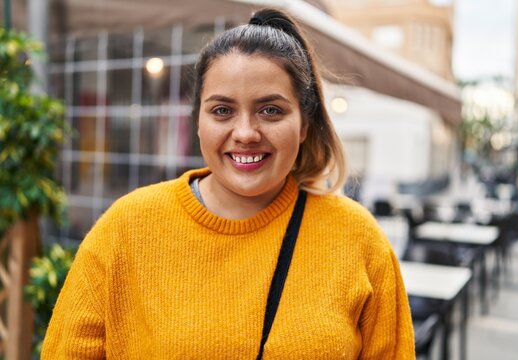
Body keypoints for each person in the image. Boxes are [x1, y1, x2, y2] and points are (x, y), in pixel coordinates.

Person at [42, 8, 415, 359]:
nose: (246, 133)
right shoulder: (125, 229)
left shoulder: (357, 239)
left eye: (271, 110)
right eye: (222, 110)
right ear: (198, 122)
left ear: (304, 124)